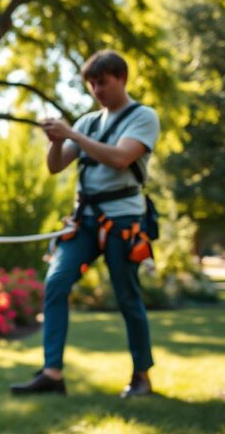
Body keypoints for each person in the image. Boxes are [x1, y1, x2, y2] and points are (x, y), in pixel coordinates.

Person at [10, 50, 160, 398]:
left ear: (121, 78)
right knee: (56, 282)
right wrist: (58, 141)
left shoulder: (143, 117)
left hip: (122, 219)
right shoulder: (88, 122)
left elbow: (122, 158)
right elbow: (55, 166)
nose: (96, 90)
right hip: (85, 222)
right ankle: (52, 373)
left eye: (102, 82)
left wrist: (73, 136)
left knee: (127, 296)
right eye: (91, 84)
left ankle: (141, 376)